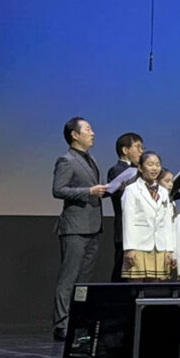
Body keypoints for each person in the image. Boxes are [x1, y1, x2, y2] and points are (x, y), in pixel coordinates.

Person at [52, 117, 106, 340]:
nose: (92, 133)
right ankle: (62, 323)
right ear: (74, 135)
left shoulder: (91, 159)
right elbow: (58, 190)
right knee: (69, 277)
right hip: (75, 226)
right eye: (88, 129)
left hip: (92, 224)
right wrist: (88, 192)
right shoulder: (66, 160)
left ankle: (78, 318)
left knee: (84, 278)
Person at [121, 152, 176, 281]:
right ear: (140, 168)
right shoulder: (132, 190)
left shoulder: (163, 191)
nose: (155, 168)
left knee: (156, 288)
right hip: (139, 245)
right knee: (137, 286)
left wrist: (169, 249)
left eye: (157, 165)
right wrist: (130, 248)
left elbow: (167, 222)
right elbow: (128, 220)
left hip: (160, 246)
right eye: (150, 164)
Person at [107, 132, 143, 282]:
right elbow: (115, 194)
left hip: (140, 225)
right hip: (125, 225)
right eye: (138, 147)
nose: (142, 151)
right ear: (125, 150)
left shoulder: (140, 170)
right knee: (121, 267)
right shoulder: (117, 170)